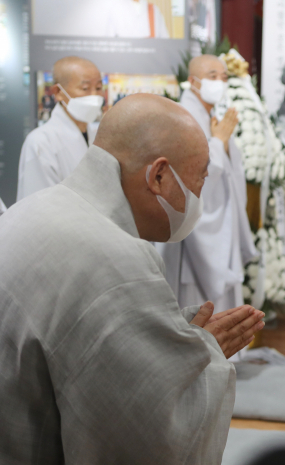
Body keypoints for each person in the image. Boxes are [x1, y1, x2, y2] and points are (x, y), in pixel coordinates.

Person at [0, 93, 265, 464]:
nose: (198, 197)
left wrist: (170, 342)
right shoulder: (117, 259)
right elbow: (145, 433)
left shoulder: (31, 210)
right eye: (200, 180)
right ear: (158, 175)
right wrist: (207, 358)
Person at [159, 54, 257, 313]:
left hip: (218, 221)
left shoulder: (210, 115)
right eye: (212, 76)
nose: (220, 82)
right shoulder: (183, 118)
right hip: (195, 236)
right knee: (197, 312)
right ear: (193, 82)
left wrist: (222, 142)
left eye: (224, 77)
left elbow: (229, 171)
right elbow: (191, 179)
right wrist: (218, 142)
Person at [18, 56, 104, 200]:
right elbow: (36, 207)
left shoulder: (97, 137)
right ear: (58, 92)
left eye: (99, 88)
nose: (94, 96)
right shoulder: (40, 143)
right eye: (85, 88)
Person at [105, 0, 170, 38]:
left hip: (150, 58)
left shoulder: (153, 10)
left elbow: (164, 41)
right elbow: (110, 41)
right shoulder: (116, 10)